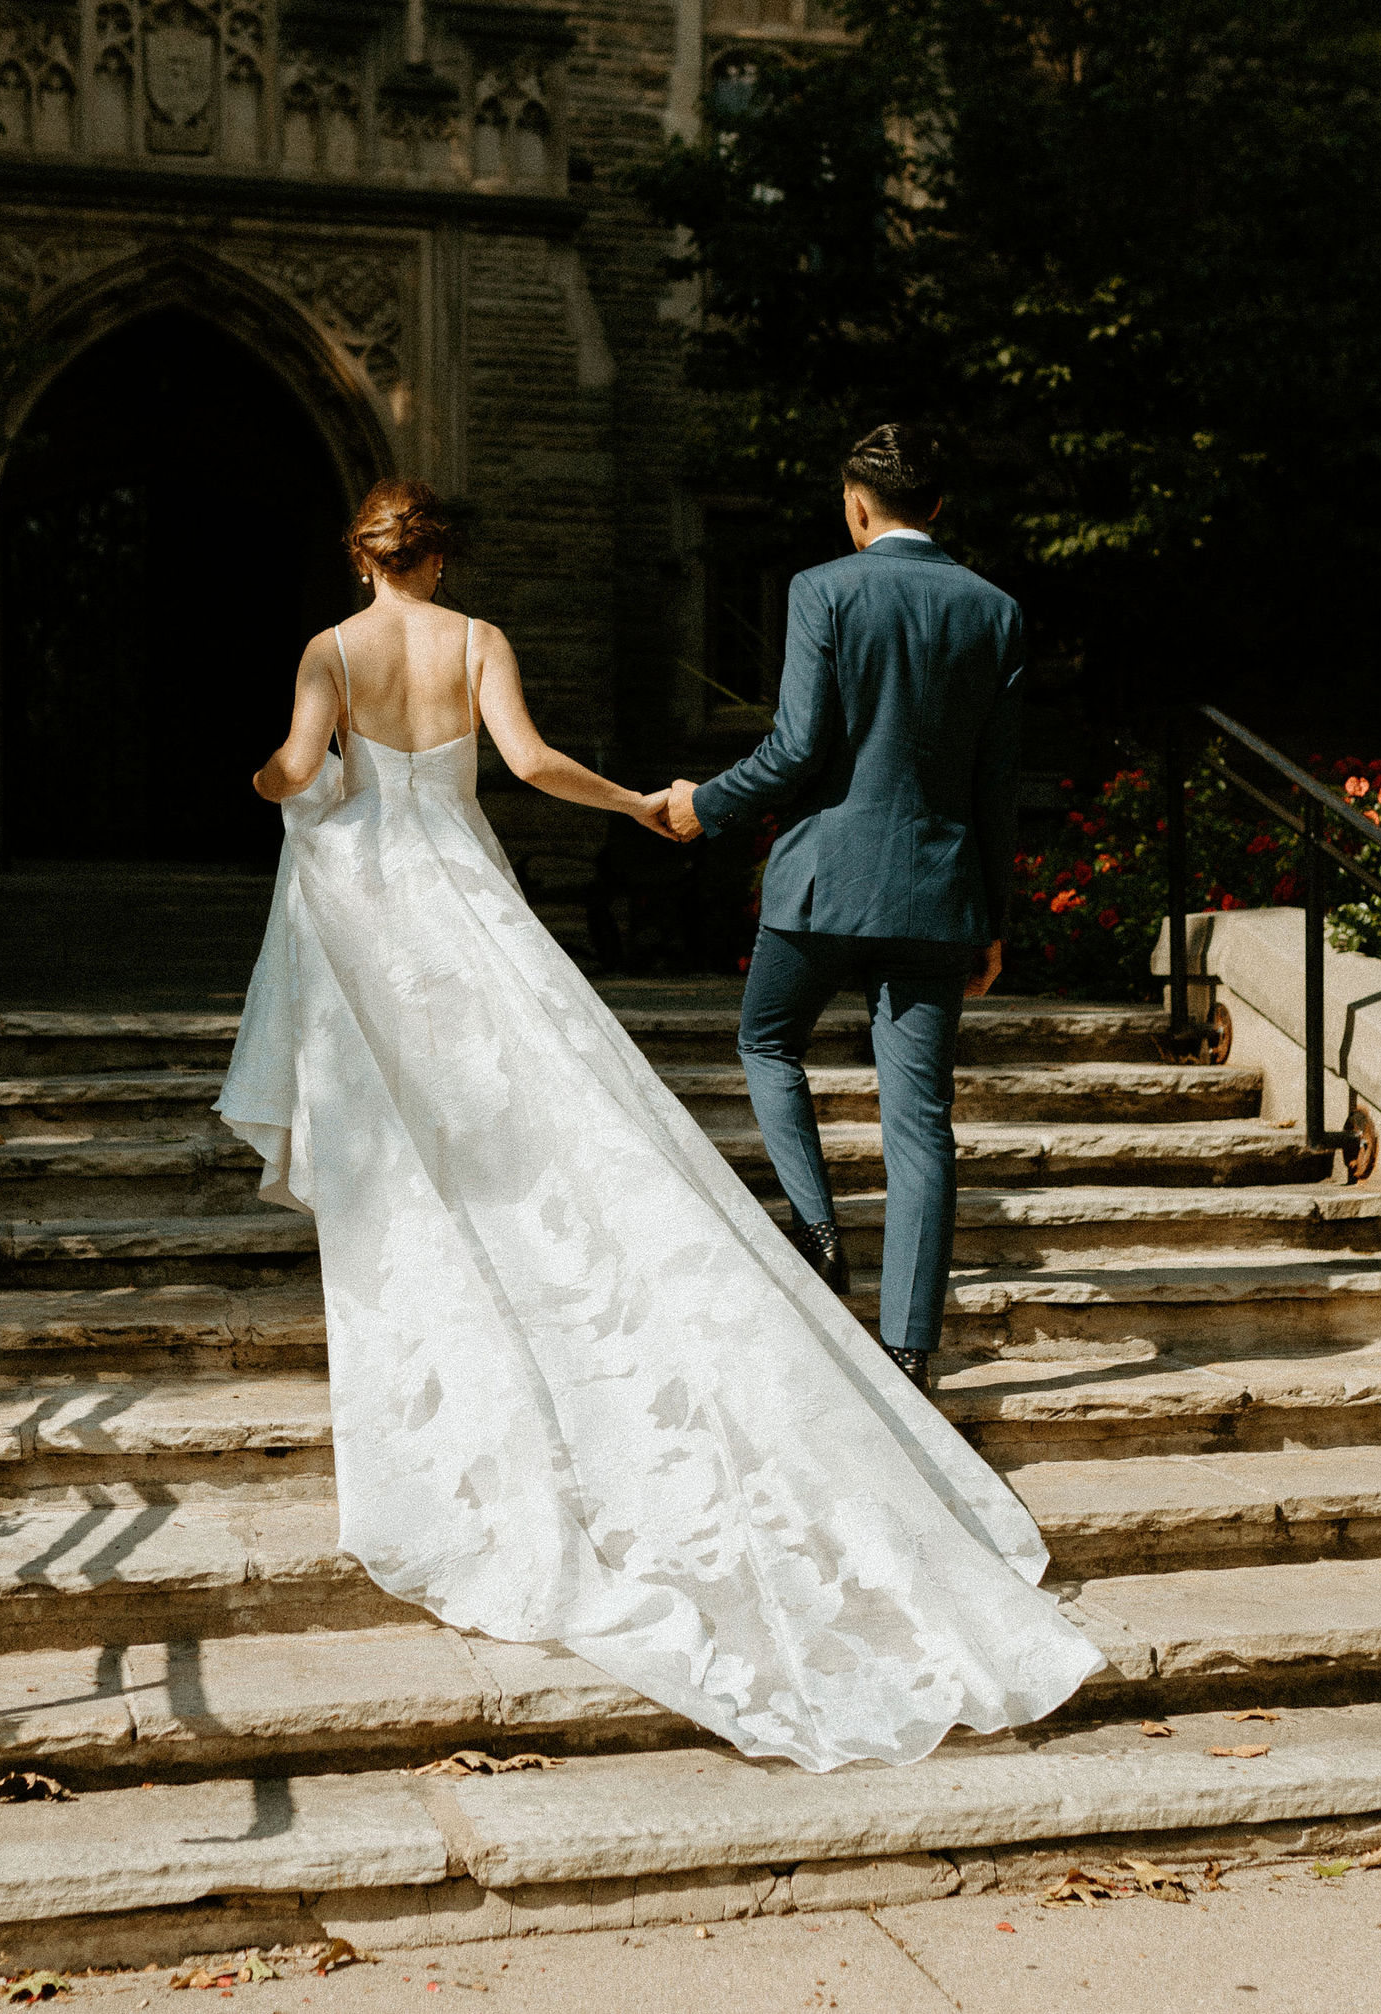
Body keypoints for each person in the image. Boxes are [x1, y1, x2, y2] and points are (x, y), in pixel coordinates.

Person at [216, 474, 1098, 1774]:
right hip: (468, 894)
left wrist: (271, 769)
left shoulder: (329, 653)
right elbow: (526, 765)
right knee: (542, 1101)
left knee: (411, 1141)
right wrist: (635, 801)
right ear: (441, 558)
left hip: (371, 905)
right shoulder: (477, 643)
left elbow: (295, 770)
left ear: (363, 560)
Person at [664, 423, 1022, 1398]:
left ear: (856, 506)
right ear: (938, 506)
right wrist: (992, 915)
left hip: (822, 882)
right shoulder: (994, 611)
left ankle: (817, 1233)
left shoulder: (822, 588)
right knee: (921, 1126)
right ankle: (909, 1353)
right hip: (937, 892)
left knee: (767, 1042)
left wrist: (704, 805)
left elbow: (793, 748)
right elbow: (996, 782)